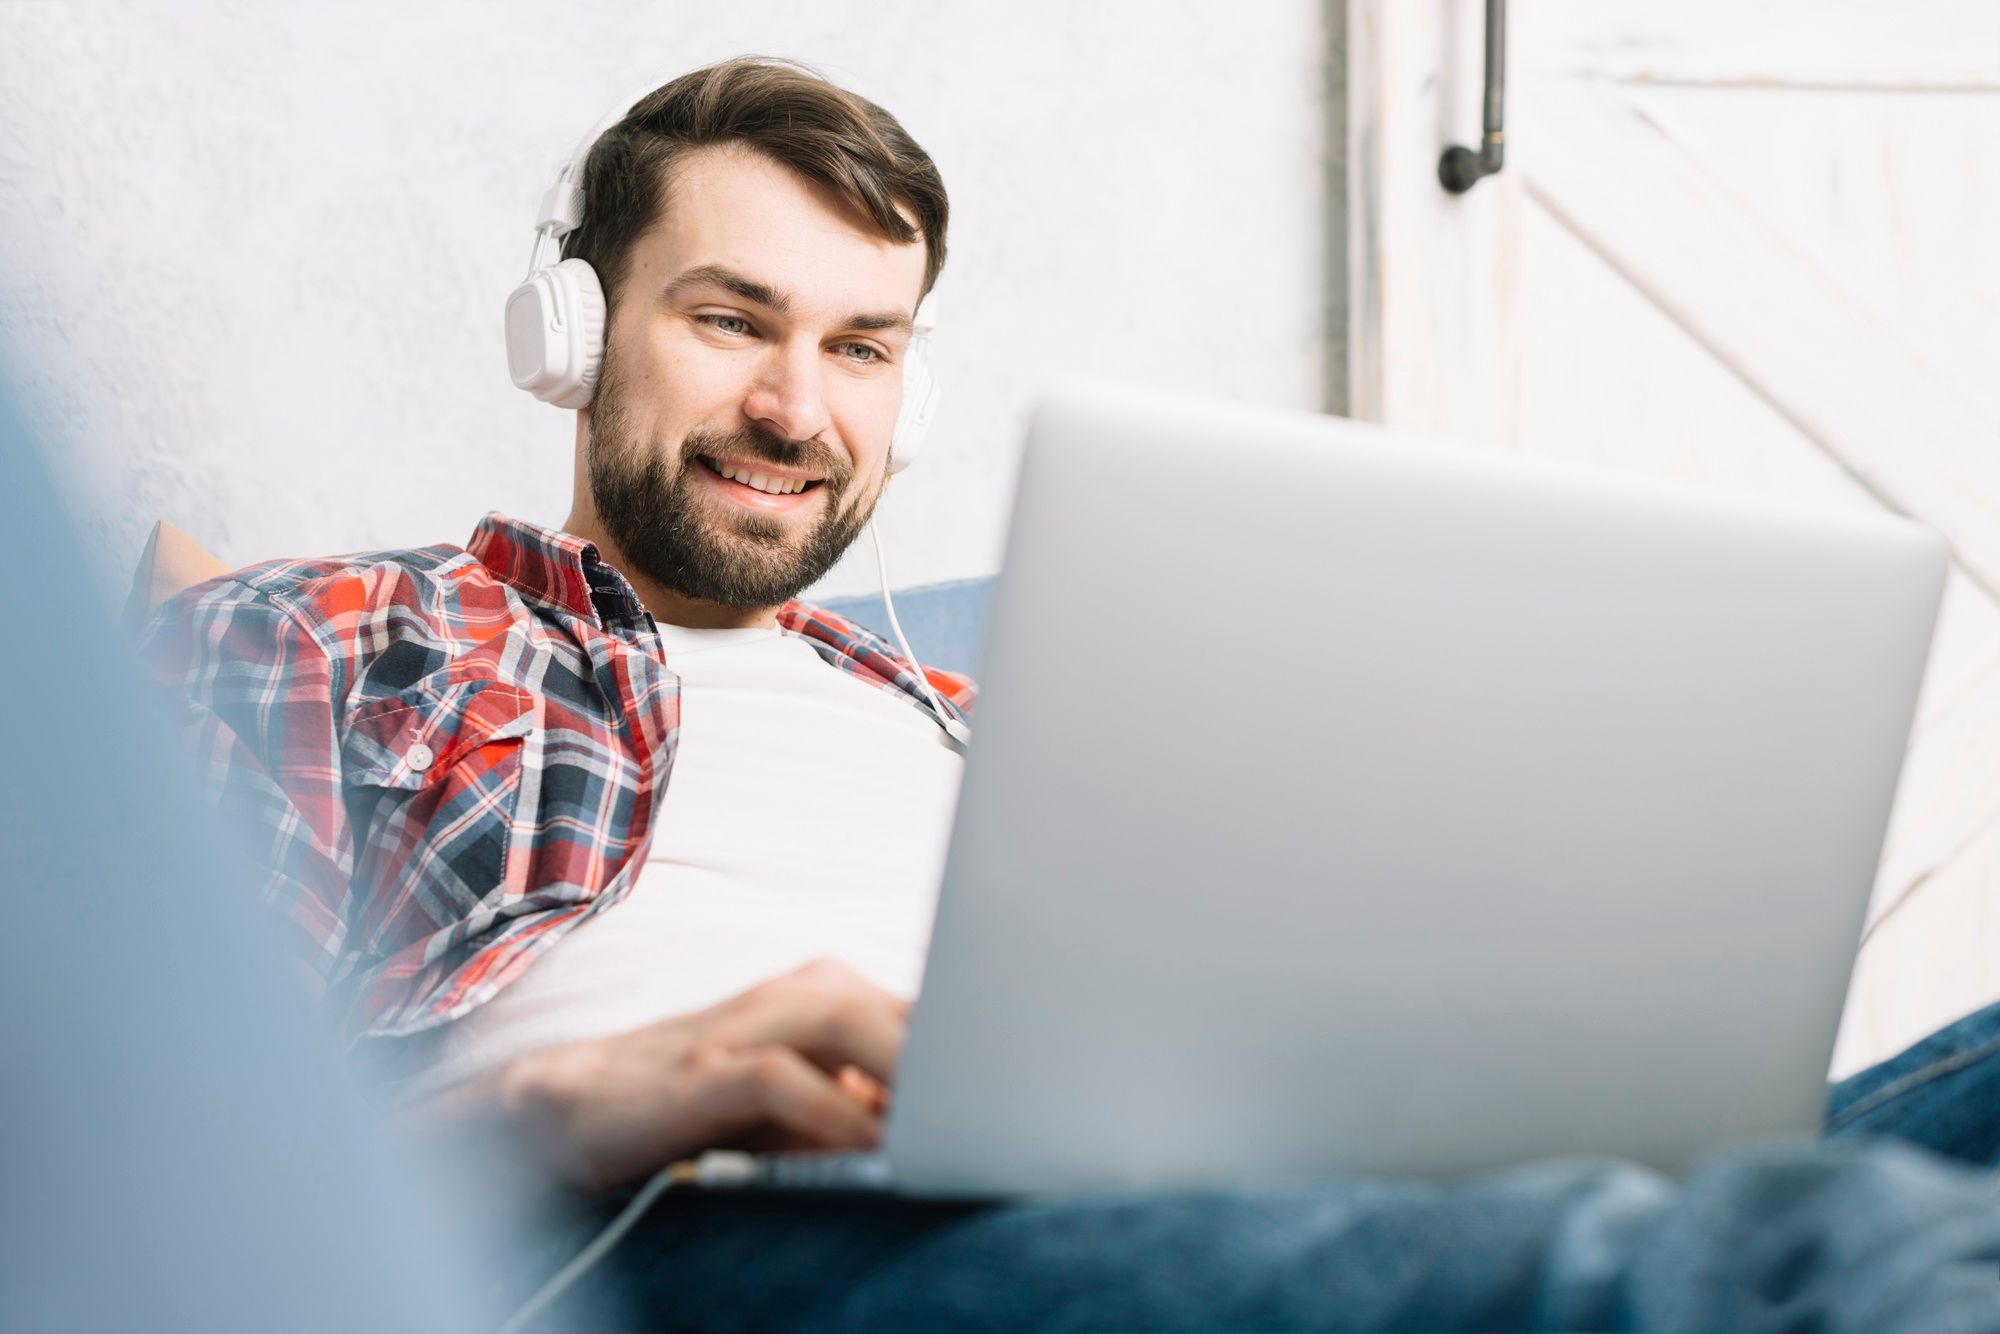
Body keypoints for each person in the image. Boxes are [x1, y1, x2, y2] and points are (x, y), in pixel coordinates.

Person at [139, 56, 2000, 1331]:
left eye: (861, 345)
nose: (801, 406)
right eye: (731, 321)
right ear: (570, 334)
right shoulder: (342, 638)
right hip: (729, 1225)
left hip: (1243, 1179)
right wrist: (574, 1100)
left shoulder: (975, 707)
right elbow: (131, 1172)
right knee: (1825, 1260)